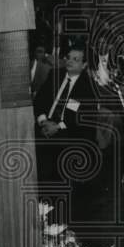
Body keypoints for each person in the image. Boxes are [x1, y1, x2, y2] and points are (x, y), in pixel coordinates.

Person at [34, 46, 99, 182]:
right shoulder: (55, 74)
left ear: (84, 65)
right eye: (68, 58)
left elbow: (80, 117)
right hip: (45, 123)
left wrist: (57, 127)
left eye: (75, 59)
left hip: (70, 129)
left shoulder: (88, 86)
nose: (69, 61)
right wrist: (43, 121)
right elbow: (39, 100)